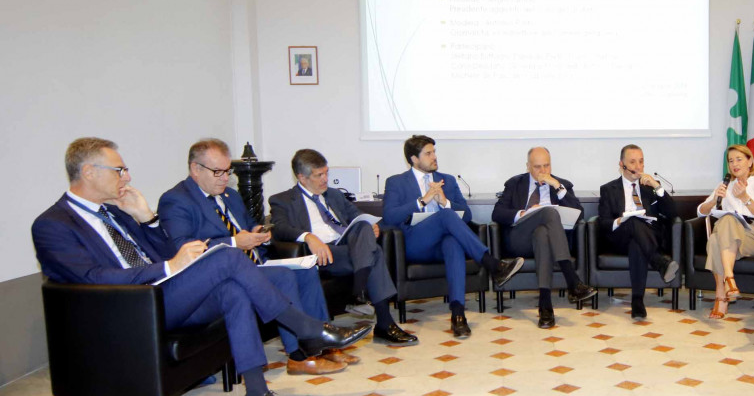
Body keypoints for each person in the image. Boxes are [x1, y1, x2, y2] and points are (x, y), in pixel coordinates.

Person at [31, 138, 370, 396]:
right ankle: (308, 328)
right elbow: (92, 278)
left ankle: (257, 394)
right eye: (119, 170)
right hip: (131, 308)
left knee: (233, 291)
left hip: (160, 296)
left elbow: (162, 251)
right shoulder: (53, 224)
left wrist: (147, 218)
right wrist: (168, 266)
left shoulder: (117, 212)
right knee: (226, 257)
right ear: (89, 172)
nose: (127, 176)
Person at [159, 139, 348, 376]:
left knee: (307, 269)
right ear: (195, 169)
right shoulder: (177, 200)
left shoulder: (230, 195)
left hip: (257, 263)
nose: (225, 178)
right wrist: (234, 242)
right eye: (218, 172)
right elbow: (183, 248)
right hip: (221, 278)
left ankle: (323, 346)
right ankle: (298, 356)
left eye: (228, 171)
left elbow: (249, 225)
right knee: (284, 276)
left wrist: (260, 234)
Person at [268, 148, 419, 348]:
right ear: (302, 177)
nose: (325, 179)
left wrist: (371, 226)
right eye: (319, 175)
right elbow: (279, 228)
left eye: (326, 173)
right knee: (375, 253)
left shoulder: (334, 195)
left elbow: (356, 215)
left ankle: (360, 292)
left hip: (348, 247)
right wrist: (308, 237)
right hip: (322, 253)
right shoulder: (283, 200)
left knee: (364, 227)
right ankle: (382, 321)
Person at [382, 135, 522, 338]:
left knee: (453, 243)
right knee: (446, 216)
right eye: (428, 153)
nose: (434, 157)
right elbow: (389, 216)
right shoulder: (396, 182)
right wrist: (422, 201)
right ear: (414, 159)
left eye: (434, 152)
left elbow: (467, 215)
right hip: (414, 243)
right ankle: (491, 263)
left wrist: (445, 202)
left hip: (441, 245)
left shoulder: (447, 180)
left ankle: (458, 315)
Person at [492, 147, 596, 329]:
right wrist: (524, 213)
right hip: (520, 239)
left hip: (550, 241)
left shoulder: (562, 184)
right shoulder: (514, 184)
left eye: (546, 166)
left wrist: (557, 186)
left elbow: (579, 214)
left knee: (542, 233)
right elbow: (497, 213)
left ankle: (545, 305)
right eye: (537, 167)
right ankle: (572, 280)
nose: (543, 171)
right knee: (549, 212)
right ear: (528, 166)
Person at [597, 144, 679, 321]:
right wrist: (621, 220)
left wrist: (657, 186)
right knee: (633, 220)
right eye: (633, 162)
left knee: (637, 242)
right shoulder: (608, 189)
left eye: (641, 162)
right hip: (621, 236)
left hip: (650, 235)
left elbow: (672, 212)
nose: (638, 166)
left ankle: (637, 301)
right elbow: (603, 223)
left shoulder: (650, 187)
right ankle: (659, 261)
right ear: (622, 165)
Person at [696, 144, 754, 319]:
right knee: (721, 231)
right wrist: (714, 200)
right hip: (730, 235)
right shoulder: (725, 185)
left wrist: (744, 198)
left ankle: (722, 292)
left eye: (739, 159)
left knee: (719, 234)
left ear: (750, 161)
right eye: (731, 161)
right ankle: (728, 283)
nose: (734, 164)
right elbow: (700, 211)